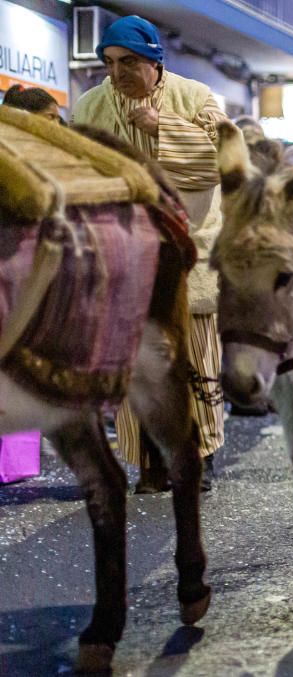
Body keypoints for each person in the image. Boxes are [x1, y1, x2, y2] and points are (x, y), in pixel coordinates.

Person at [72, 15, 226, 492]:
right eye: (110, 63)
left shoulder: (195, 98)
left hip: (187, 252)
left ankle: (195, 457)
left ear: (155, 62)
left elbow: (223, 160)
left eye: (129, 63)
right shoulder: (90, 107)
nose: (116, 74)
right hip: (124, 255)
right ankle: (149, 463)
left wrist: (166, 128)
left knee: (193, 359)